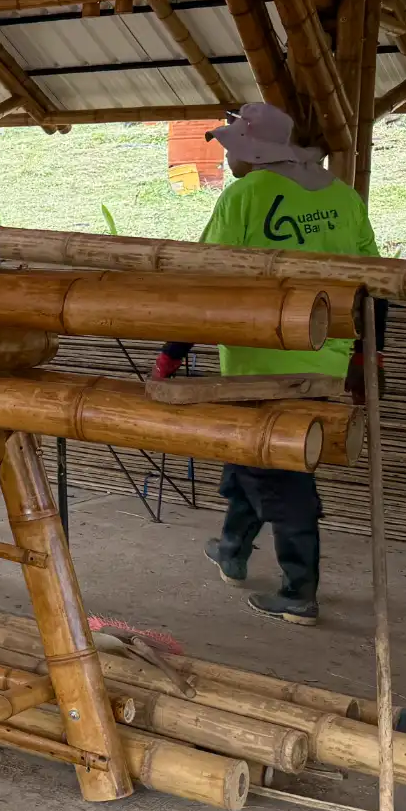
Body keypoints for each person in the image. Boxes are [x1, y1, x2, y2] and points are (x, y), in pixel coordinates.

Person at [150, 103, 380, 626]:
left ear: (255, 151)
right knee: (248, 456)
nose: (229, 158)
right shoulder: (344, 198)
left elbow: (205, 283)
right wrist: (368, 356)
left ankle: (299, 589)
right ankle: (231, 549)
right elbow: (374, 285)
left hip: (259, 366)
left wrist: (172, 350)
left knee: (280, 472)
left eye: (233, 148)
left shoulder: (245, 196)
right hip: (324, 361)